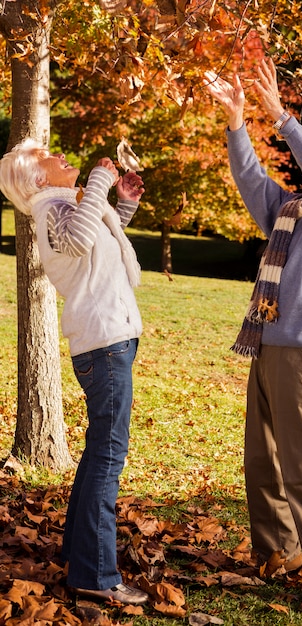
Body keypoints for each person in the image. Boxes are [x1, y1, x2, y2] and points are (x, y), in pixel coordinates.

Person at [204, 58, 302, 614]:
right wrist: (236, 123)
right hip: (269, 344)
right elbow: (251, 178)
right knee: (262, 461)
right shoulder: (291, 210)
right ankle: (281, 552)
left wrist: (282, 117)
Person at [0, 141, 149, 606]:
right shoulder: (53, 213)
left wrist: (120, 204)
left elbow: (97, 250)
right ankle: (96, 575)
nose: (63, 158)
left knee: (99, 454)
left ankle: (77, 552)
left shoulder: (66, 209)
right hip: (105, 348)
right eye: (51, 159)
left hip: (110, 342)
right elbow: (79, 240)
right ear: (39, 180)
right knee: (108, 457)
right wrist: (101, 183)